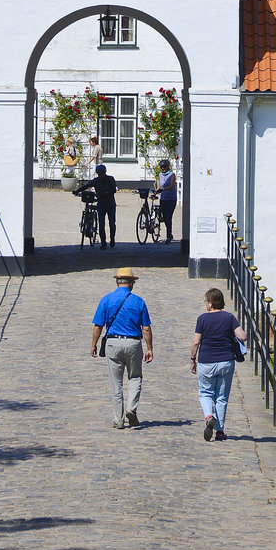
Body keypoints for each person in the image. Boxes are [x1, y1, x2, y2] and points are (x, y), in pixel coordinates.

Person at [91, 268, 153, 428]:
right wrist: (149, 348)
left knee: (115, 382)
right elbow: (146, 327)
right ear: (131, 283)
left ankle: (118, 419)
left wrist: (94, 345)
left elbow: (98, 326)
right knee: (135, 377)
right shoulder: (138, 301)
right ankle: (131, 408)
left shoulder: (106, 300)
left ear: (117, 281)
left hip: (113, 343)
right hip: (133, 343)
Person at [190, 287, 247, 441]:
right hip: (226, 361)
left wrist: (192, 359)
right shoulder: (229, 317)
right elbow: (243, 336)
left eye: (206, 301)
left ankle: (209, 416)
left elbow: (196, 342)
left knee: (205, 393)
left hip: (206, 361)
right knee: (221, 397)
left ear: (210, 303)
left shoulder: (202, 318)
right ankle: (220, 431)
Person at [90, 162, 117, 249]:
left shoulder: (110, 179)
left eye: (102, 174)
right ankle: (103, 243)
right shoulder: (96, 180)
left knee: (112, 224)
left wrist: (107, 192)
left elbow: (114, 189)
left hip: (110, 204)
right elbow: (87, 185)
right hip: (101, 204)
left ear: (105, 173)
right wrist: (77, 190)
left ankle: (112, 239)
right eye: (99, 174)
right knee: (101, 224)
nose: (100, 176)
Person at [156, 158, 177, 243]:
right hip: (163, 199)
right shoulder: (160, 175)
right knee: (164, 217)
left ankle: (168, 236)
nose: (163, 168)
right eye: (161, 167)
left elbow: (171, 186)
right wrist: (156, 192)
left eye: (164, 167)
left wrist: (163, 189)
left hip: (171, 199)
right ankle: (170, 234)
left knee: (168, 217)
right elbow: (159, 186)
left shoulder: (172, 175)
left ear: (168, 166)